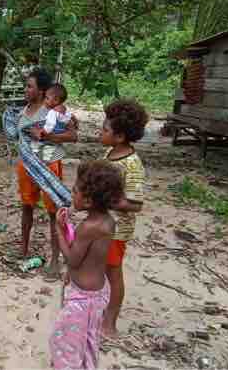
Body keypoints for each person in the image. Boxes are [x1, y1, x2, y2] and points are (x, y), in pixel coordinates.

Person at [50, 160, 122, 370]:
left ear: (89, 201)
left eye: (75, 191)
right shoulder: (107, 222)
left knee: (64, 344)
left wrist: (58, 229)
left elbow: (73, 259)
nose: (72, 194)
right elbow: (90, 257)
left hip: (82, 299)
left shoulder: (88, 227)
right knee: (88, 341)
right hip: (98, 294)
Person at [16, 70, 78, 280]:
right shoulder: (24, 110)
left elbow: (72, 135)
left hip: (48, 165)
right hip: (26, 164)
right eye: (26, 86)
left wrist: (46, 136)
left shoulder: (54, 110)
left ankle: (54, 261)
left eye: (30, 86)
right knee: (26, 206)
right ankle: (23, 249)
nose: (26, 90)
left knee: (54, 213)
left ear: (42, 91)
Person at [98, 99, 148, 337]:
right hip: (102, 225)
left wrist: (104, 200)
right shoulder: (109, 152)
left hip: (116, 231)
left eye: (105, 129)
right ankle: (100, 310)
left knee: (113, 272)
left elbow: (135, 204)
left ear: (119, 137)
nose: (100, 131)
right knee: (100, 268)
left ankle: (110, 322)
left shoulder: (132, 164)